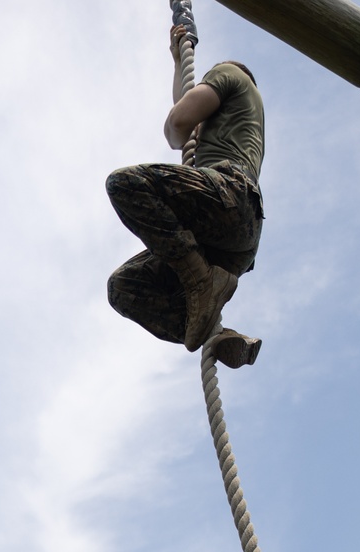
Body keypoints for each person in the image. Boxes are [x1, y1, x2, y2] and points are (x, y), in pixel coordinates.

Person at [106, 24, 265, 369]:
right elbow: (188, 107)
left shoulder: (230, 74)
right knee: (124, 287)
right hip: (229, 241)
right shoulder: (233, 122)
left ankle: (202, 282)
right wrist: (179, 60)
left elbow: (179, 125)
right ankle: (217, 333)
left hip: (229, 197)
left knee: (125, 184)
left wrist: (177, 127)